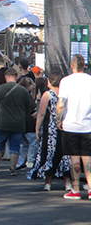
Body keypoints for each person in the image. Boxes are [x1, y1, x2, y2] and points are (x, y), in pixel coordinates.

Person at [28, 71, 71, 191]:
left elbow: (41, 113)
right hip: (65, 126)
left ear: (50, 82)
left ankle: (48, 182)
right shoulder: (66, 93)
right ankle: (68, 182)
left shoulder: (47, 94)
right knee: (65, 154)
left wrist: (37, 128)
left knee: (49, 153)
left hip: (51, 128)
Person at [56, 54, 91, 200]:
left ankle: (75, 189)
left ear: (71, 66)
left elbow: (60, 104)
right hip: (88, 125)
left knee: (74, 157)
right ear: (84, 65)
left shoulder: (66, 81)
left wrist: (58, 120)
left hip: (71, 125)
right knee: (88, 158)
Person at [0, 67, 35, 176]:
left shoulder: (0, 88)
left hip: (2, 121)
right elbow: (30, 106)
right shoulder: (23, 91)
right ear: (16, 77)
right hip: (18, 122)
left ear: (6, 77)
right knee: (15, 147)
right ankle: (13, 168)